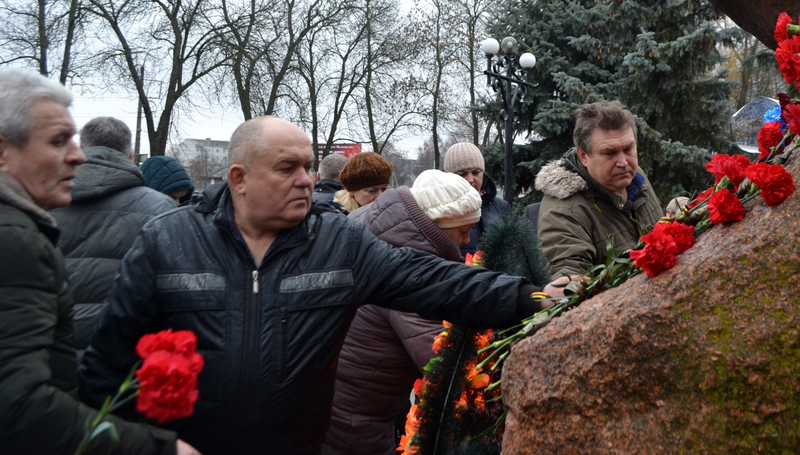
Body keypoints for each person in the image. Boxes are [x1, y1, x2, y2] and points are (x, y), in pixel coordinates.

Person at [78, 115, 571, 455]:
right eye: (286, 168)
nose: (306, 180)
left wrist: (531, 296)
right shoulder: (167, 240)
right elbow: (105, 369)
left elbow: (434, 280)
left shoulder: (337, 242)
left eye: (309, 167)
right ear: (238, 177)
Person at [0, 69, 199, 455]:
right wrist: (159, 448)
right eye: (59, 141)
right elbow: (16, 408)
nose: (77, 155)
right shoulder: (16, 238)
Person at [322, 169, 482, 455]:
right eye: (462, 230)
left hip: (337, 405)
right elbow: (442, 359)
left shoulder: (374, 229)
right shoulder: (411, 270)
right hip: (357, 424)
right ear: (436, 225)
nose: (466, 240)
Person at [50, 116, 177, 357]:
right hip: (123, 363)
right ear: (130, 156)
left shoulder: (42, 201)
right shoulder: (162, 210)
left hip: (50, 355)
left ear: (80, 149)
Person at [535, 100, 664, 277]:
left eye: (628, 149)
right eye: (609, 153)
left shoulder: (636, 176)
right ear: (583, 156)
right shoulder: (562, 212)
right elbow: (569, 281)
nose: (623, 162)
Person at [443, 142, 512, 257]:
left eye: (476, 173)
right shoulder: (439, 208)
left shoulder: (501, 207)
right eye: (462, 174)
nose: (470, 179)